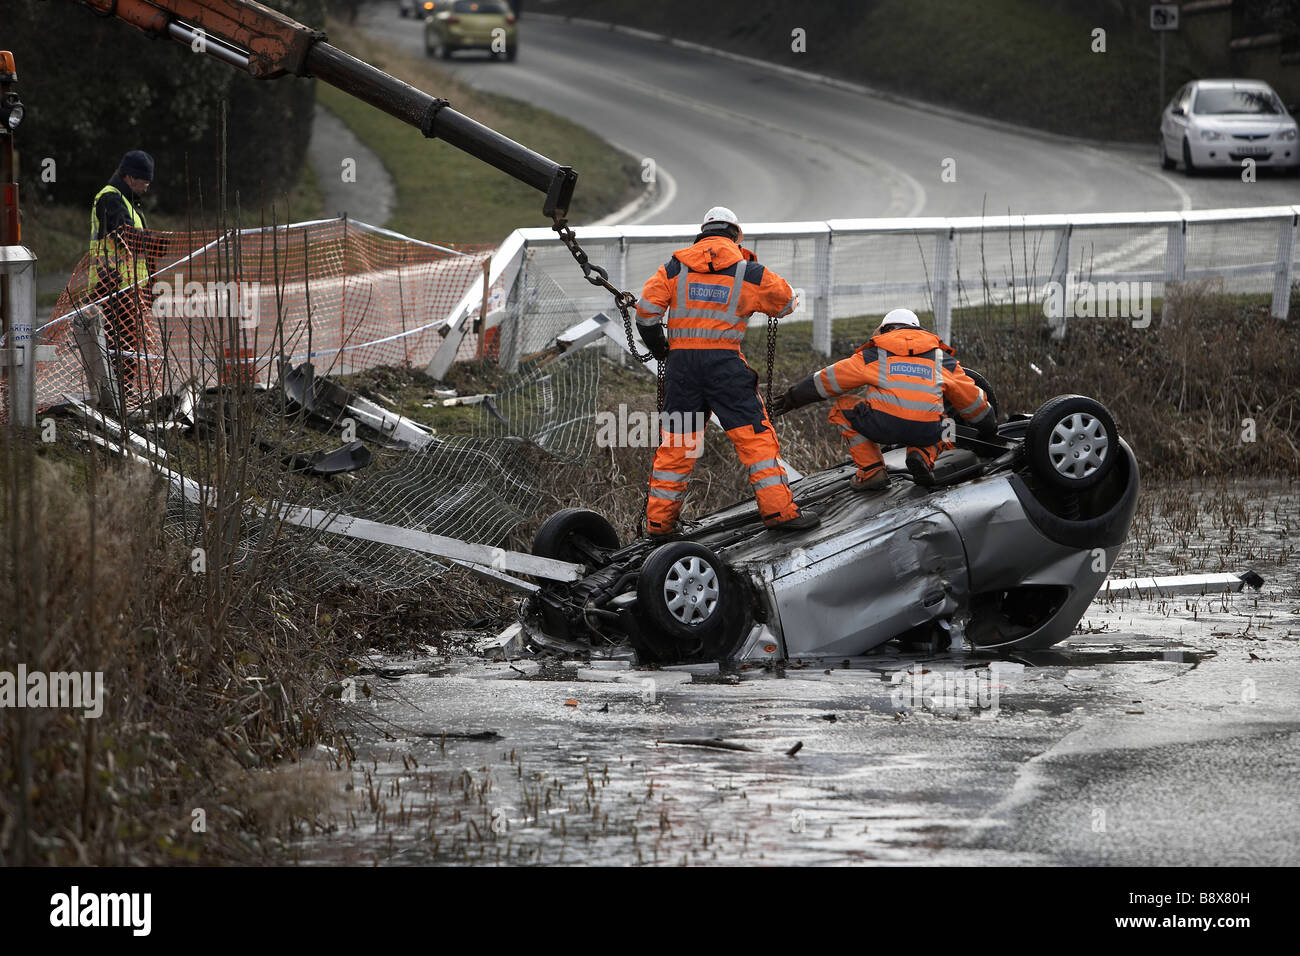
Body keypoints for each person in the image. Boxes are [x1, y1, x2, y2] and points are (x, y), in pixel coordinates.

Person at [634, 206, 819, 536]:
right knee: (755, 441)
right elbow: (787, 302)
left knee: (677, 445)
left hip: (683, 370)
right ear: (736, 235)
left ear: (702, 233)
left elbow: (646, 315)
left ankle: (659, 523)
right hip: (725, 368)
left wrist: (662, 348)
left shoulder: (674, 268)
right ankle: (779, 511)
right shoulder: (748, 271)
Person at [770, 308, 996, 490]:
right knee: (947, 423)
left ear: (886, 329)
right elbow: (972, 401)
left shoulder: (874, 354)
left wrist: (793, 398)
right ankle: (922, 456)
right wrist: (988, 429)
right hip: (926, 431)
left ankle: (872, 472)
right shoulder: (941, 359)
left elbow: (827, 381)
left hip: (882, 426)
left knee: (843, 407)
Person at [88, 150, 154, 397]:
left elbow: (138, 252)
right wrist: (155, 242)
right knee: (120, 346)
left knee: (128, 347)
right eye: (144, 181)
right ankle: (120, 399)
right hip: (113, 285)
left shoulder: (129, 203)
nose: (147, 187)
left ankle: (124, 396)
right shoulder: (110, 199)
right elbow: (126, 235)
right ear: (130, 177)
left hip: (131, 288)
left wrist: (149, 286)